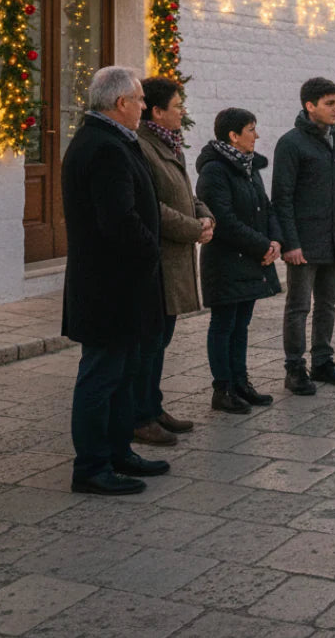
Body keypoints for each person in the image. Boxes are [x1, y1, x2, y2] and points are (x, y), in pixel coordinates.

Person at [62, 66, 170, 496]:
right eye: (141, 99)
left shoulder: (110, 140)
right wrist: (152, 249)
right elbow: (118, 220)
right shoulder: (104, 147)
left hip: (122, 286)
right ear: (121, 102)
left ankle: (118, 451)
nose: (145, 107)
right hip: (110, 286)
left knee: (123, 373)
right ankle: (91, 465)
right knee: (101, 376)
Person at [272, 76, 335, 395]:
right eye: (329, 104)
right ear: (309, 106)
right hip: (304, 242)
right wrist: (291, 243)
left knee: (328, 304)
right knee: (299, 306)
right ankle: (295, 368)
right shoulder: (291, 143)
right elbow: (282, 198)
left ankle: (323, 361)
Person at [133, 76, 214, 446]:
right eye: (177, 106)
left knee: (162, 338)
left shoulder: (172, 146)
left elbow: (187, 191)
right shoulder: (142, 148)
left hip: (177, 257)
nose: (183, 111)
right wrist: (193, 229)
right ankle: (140, 415)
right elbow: (154, 207)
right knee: (149, 341)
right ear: (157, 111)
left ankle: (153, 405)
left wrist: (205, 214)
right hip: (158, 260)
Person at [196, 108, 282, 413]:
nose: (256, 135)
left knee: (241, 324)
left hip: (251, 258)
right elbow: (224, 220)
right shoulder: (214, 171)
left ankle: (240, 382)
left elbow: (266, 207)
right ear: (233, 136)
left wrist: (274, 241)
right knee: (224, 324)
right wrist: (262, 246)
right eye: (251, 129)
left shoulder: (248, 167)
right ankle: (223, 389)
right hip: (226, 260)